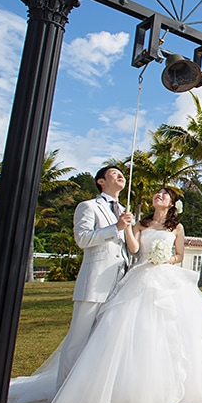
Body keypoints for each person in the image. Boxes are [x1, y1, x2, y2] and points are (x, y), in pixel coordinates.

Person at [39, 186, 202, 403]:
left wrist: (166, 258)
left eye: (165, 194)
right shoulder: (141, 224)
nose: (159, 196)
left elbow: (180, 255)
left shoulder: (177, 227)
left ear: (171, 203)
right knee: (133, 328)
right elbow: (133, 249)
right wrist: (129, 228)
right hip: (140, 275)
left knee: (178, 328)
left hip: (166, 275)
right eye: (157, 193)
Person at [57, 165, 133, 386]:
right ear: (101, 181)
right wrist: (115, 227)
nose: (120, 175)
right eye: (114, 173)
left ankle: (88, 388)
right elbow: (82, 239)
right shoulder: (89, 206)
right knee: (78, 339)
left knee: (103, 341)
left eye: (121, 173)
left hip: (119, 284)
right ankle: (63, 390)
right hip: (94, 282)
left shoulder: (125, 211)